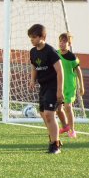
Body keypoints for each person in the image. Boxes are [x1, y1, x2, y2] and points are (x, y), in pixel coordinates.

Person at [27, 23, 64, 154]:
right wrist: (32, 80)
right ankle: (54, 138)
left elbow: (60, 71)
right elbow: (33, 66)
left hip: (53, 86)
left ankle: (55, 145)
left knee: (49, 114)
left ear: (43, 36)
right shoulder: (33, 52)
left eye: (34, 37)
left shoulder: (50, 51)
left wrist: (60, 90)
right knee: (43, 115)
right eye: (30, 37)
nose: (31, 40)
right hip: (43, 87)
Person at [56, 32, 85, 139]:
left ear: (69, 44)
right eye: (60, 41)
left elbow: (78, 71)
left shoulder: (72, 57)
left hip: (69, 87)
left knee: (68, 107)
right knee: (58, 109)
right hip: (59, 86)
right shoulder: (55, 54)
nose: (62, 43)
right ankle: (65, 126)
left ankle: (72, 130)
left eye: (64, 41)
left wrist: (82, 86)